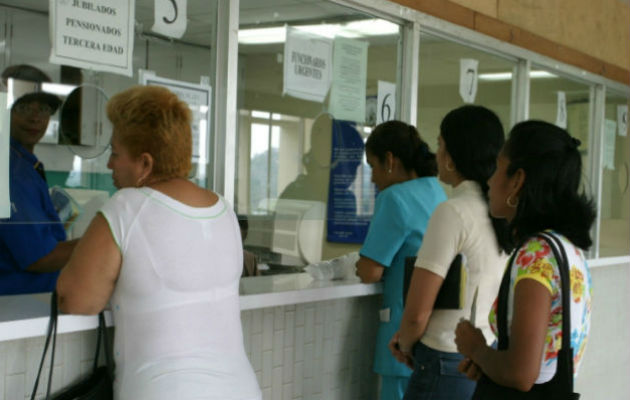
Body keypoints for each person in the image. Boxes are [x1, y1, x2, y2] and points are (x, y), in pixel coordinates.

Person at [56, 86, 262, 400]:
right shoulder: (224, 210)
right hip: (241, 390)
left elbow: (76, 300)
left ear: (145, 164)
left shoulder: (126, 207)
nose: (110, 165)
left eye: (115, 153)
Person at [454, 120, 595, 398]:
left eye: (496, 167)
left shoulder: (535, 256)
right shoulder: (568, 248)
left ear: (517, 181)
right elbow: (540, 363)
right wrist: (487, 363)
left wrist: (476, 349)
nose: (490, 180)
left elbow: (521, 375)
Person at [388, 105, 512, 400]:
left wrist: (404, 344)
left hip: (444, 361)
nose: (437, 154)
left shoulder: (452, 212)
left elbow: (418, 313)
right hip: (483, 356)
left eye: (441, 144)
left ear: (453, 157)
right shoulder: (501, 213)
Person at [356, 120, 447, 400]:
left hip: (401, 334)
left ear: (390, 160)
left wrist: (361, 263)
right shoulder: (436, 190)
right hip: (433, 331)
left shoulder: (394, 198)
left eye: (372, 166)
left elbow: (369, 271)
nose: (372, 178)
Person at [0, 64, 78, 295]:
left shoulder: (24, 162)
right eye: (23, 107)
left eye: (43, 108)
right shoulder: (12, 170)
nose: (35, 118)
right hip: (16, 305)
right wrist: (102, 241)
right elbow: (39, 258)